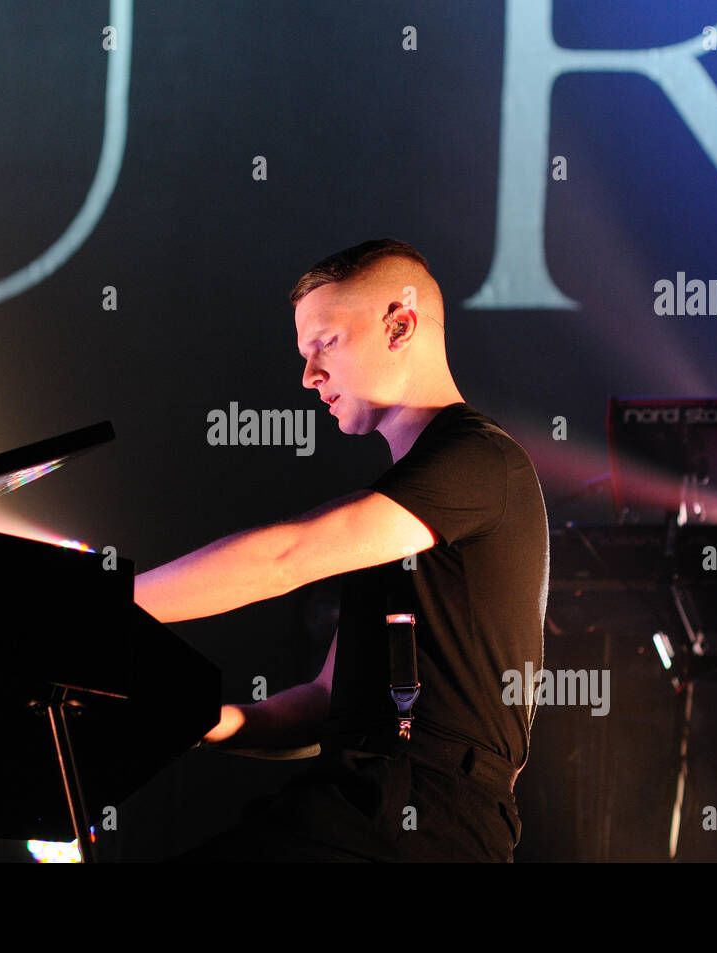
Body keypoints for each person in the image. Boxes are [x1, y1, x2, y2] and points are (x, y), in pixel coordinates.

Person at [134, 239, 549, 861]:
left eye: (325, 343)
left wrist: (93, 605)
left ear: (399, 325)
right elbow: (328, 701)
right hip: (367, 803)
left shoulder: (480, 461)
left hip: (421, 813)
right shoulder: (405, 515)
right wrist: (189, 717)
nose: (308, 376)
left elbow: (287, 556)